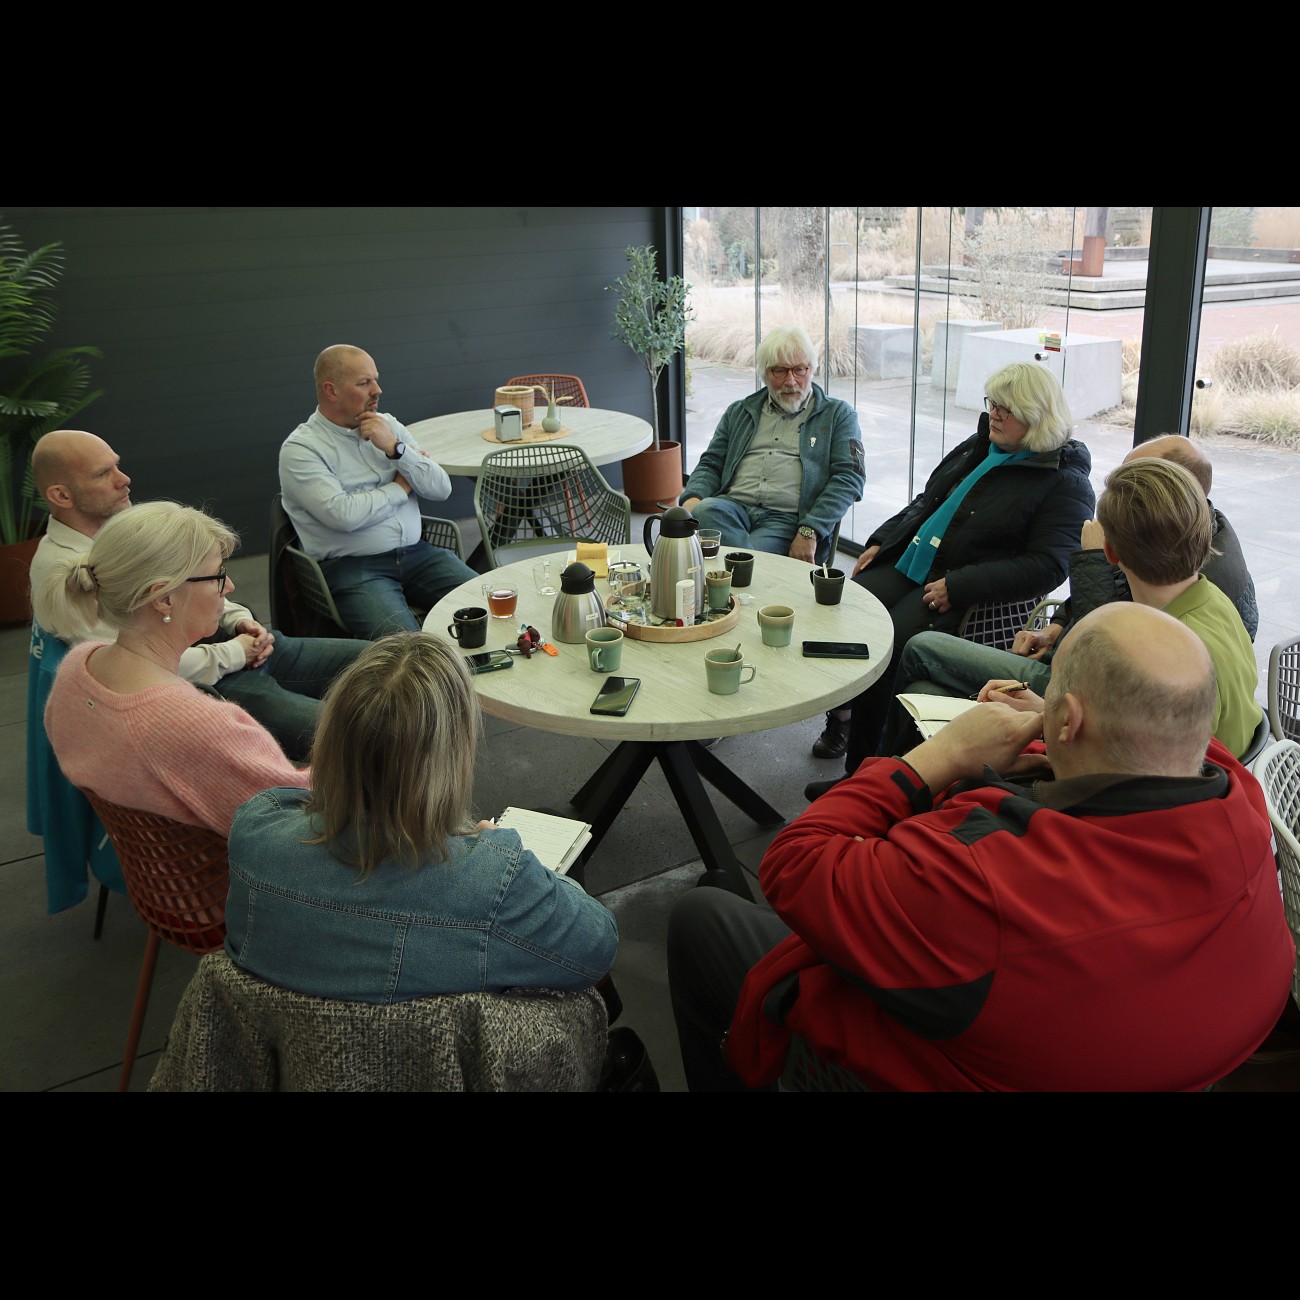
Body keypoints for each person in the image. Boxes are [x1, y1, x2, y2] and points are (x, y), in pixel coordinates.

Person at [667, 602, 1296, 1091]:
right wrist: (1053, 717)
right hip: (1150, 1055)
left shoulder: (985, 885)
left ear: (1070, 720)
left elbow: (793, 861)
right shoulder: (1241, 798)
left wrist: (942, 754)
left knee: (704, 912)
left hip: (935, 1058)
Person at [224, 632, 619, 1002]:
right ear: (452, 755)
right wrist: (508, 858)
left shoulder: (254, 833)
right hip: (446, 1054)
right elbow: (598, 948)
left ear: (333, 737)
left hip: (287, 1051)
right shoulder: (493, 882)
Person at [877, 442, 1264, 761]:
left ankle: (886, 785)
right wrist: (1048, 703)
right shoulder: (1209, 597)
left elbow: (1111, 754)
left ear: (1109, 552)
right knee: (925, 688)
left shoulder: (1159, 655)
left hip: (1135, 785)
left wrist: (1045, 715)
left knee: (924, 669)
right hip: (1187, 767)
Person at [806, 362, 1095, 774]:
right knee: (846, 612)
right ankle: (845, 721)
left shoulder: (1064, 481)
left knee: (888, 650)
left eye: (1007, 409)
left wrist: (959, 585)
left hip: (964, 590)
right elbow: (927, 501)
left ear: (1037, 416)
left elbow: (1049, 567)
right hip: (915, 562)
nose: (994, 414)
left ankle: (866, 773)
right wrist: (882, 540)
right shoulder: (981, 445)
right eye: (993, 403)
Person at [30, 429, 363, 762]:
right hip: (208, 678)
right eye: (103, 473)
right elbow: (139, 662)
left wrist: (239, 621)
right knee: (360, 737)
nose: (124, 479)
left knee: (381, 662)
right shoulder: (70, 574)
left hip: (229, 646)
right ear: (61, 495)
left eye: (117, 466)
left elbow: (198, 577)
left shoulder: (119, 527)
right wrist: (236, 652)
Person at [38, 502, 310, 836]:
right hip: (240, 864)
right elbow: (300, 815)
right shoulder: (197, 724)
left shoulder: (75, 668)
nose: (229, 587)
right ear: (164, 598)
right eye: (218, 575)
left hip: (161, 860)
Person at [278, 344, 477, 639]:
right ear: (331, 391)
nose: (377, 390)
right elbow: (343, 516)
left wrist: (396, 449)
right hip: (354, 568)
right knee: (406, 648)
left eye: (376, 379)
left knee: (494, 605)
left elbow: (440, 488)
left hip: (418, 554)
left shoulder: (388, 426)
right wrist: (400, 487)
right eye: (364, 383)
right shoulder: (301, 449)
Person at [678, 325, 864, 566]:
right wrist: (693, 499)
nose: (791, 381)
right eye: (779, 371)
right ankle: (743, 567)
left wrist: (810, 529)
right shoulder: (740, 412)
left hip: (787, 521)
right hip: (731, 509)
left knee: (738, 558)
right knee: (705, 510)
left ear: (811, 369)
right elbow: (711, 463)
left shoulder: (838, 415)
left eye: (799, 369)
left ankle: (738, 568)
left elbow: (849, 478)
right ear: (764, 374)